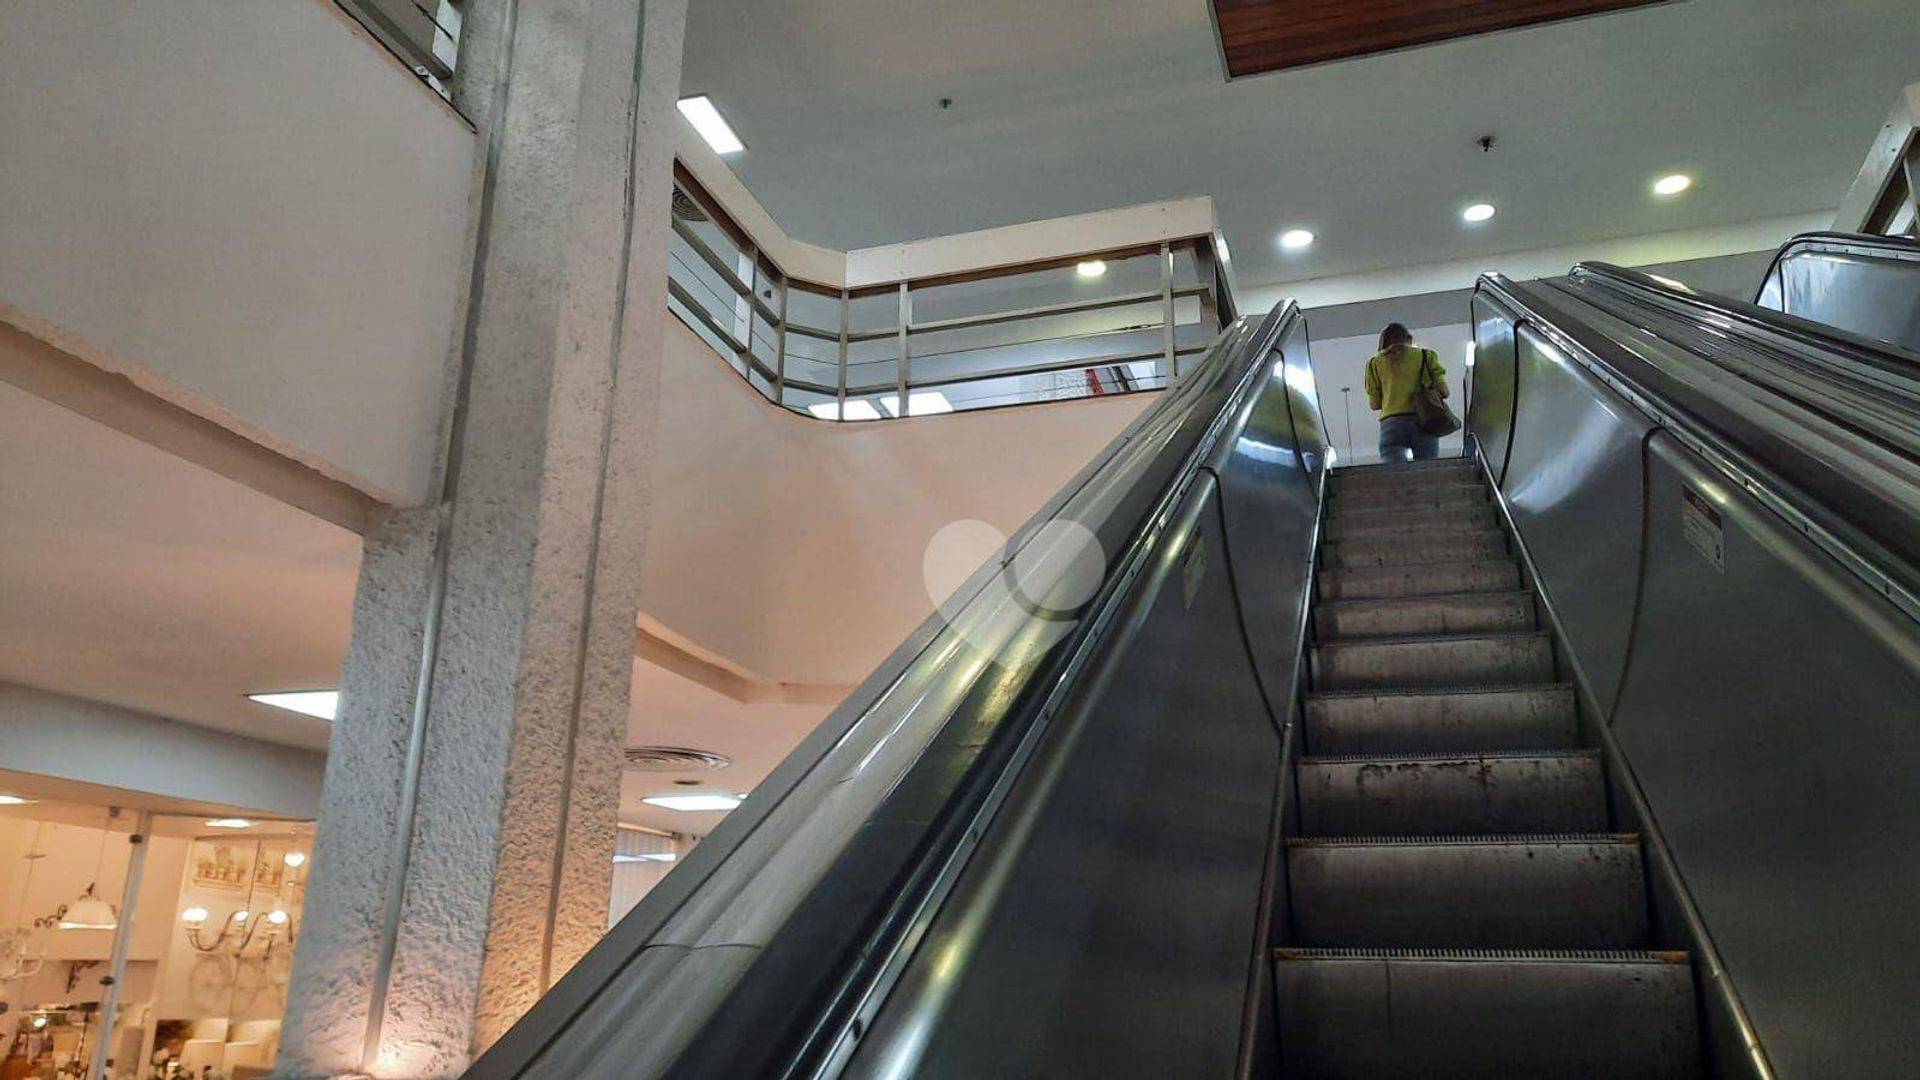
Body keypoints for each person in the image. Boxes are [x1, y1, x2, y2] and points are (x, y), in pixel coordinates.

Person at [1364, 322, 1449, 461]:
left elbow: (1374, 404)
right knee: (1427, 472)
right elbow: (1444, 392)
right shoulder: (1427, 356)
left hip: (1391, 425)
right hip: (1424, 420)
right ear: (1409, 339)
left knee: (1395, 476)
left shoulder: (1373, 364)